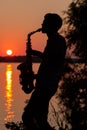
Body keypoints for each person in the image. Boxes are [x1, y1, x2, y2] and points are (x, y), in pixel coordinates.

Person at [22, 13, 66, 130]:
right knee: (41, 120)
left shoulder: (57, 40)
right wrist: (34, 76)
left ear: (51, 25)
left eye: (44, 22)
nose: (42, 24)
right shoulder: (53, 40)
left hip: (46, 86)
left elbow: (54, 62)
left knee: (27, 118)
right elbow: (50, 64)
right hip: (45, 84)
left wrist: (35, 53)